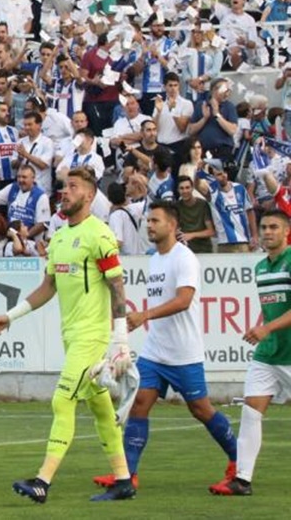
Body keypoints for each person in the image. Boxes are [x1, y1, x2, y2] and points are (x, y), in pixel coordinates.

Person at [0, 166, 135, 503]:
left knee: (62, 398)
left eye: (72, 186)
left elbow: (117, 287)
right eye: (63, 186)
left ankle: (42, 481)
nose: (64, 192)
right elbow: (48, 287)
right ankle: (124, 480)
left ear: (90, 193)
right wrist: (10, 316)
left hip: (93, 338)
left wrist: (120, 340)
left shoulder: (99, 234)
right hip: (71, 337)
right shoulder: (59, 238)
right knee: (100, 409)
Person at [87, 200, 237, 490]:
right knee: (138, 403)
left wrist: (145, 315)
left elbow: (183, 300)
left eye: (155, 221)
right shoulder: (154, 258)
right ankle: (127, 473)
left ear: (172, 224)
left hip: (184, 352)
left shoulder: (184, 258)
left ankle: (237, 461)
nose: (149, 226)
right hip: (156, 350)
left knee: (201, 409)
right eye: (148, 221)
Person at [209, 209, 291, 496]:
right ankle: (242, 479)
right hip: (268, 355)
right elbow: (274, 309)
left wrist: (267, 329)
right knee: (251, 411)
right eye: (265, 227)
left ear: (286, 232)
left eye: (274, 227)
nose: (267, 232)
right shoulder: (260, 268)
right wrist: (265, 329)